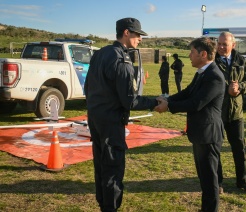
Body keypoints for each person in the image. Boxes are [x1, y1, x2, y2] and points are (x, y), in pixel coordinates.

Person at [84, 17, 158, 212]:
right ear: (126, 33)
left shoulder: (100, 54)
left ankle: (103, 204)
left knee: (100, 165)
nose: (140, 39)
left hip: (95, 118)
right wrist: (156, 102)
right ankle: (111, 207)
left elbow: (87, 88)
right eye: (137, 35)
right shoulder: (122, 59)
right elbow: (130, 101)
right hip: (111, 122)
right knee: (113, 169)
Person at [155, 37, 225, 212]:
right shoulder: (202, 72)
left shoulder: (214, 76)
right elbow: (188, 92)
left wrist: (169, 106)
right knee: (204, 177)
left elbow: (196, 103)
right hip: (200, 133)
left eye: (192, 52)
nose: (189, 56)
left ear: (203, 54)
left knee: (209, 180)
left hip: (208, 135)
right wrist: (168, 99)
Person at [215, 31, 246, 193]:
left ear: (233, 45)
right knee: (216, 148)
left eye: (224, 44)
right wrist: (227, 89)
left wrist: (240, 88)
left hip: (236, 113)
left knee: (239, 148)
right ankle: (217, 183)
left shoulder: (241, 60)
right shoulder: (213, 60)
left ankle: (243, 181)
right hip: (217, 112)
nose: (220, 47)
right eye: (219, 43)